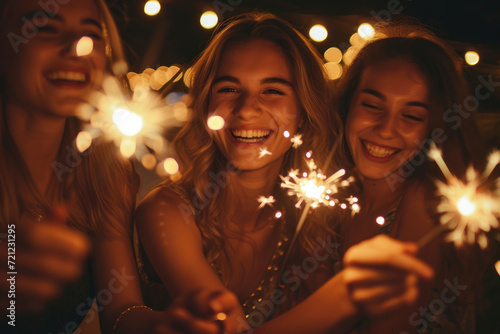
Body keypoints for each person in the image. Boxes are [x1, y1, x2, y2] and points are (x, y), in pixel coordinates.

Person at [136, 12, 435, 334]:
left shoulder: (321, 215)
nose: (247, 109)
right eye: (228, 89)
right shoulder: (168, 210)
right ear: (206, 105)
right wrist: (347, 294)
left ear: (304, 113)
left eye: (273, 91)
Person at [0, 0, 235, 333]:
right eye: (44, 28)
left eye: (91, 35)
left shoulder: (104, 173)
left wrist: (165, 324)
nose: (75, 48)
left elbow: (122, 310)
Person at [336, 23, 489, 333]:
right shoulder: (334, 194)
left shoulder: (424, 205)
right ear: (347, 105)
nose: (386, 128)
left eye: (411, 115)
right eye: (372, 105)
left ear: (435, 127)